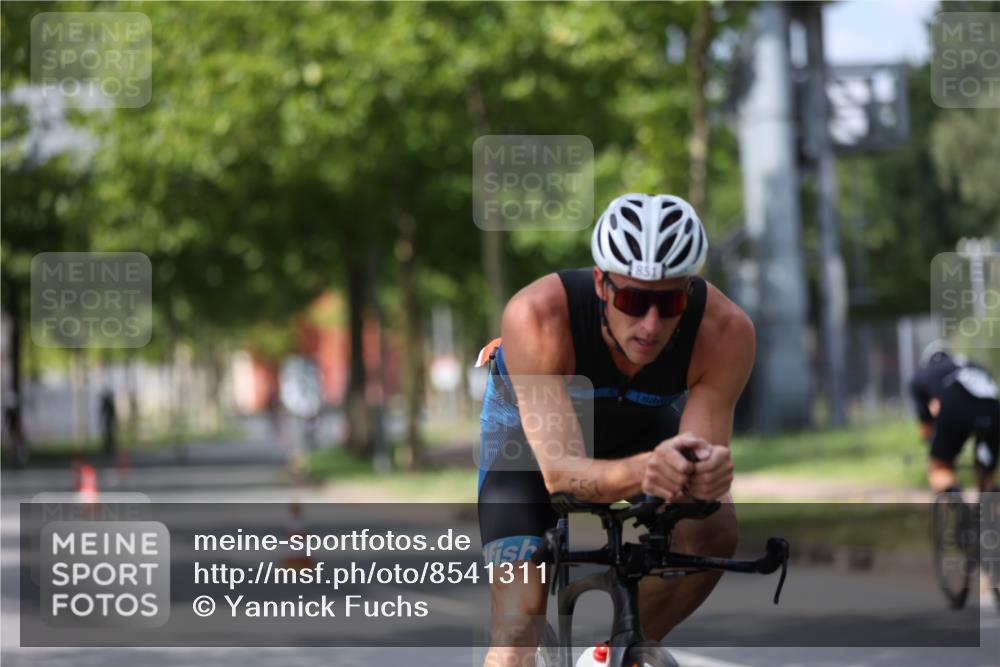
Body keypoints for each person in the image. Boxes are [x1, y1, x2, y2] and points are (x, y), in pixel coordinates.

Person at [477, 193, 754, 666]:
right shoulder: (537, 316)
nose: (650, 324)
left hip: (639, 426)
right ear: (602, 284)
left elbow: (699, 472)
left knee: (715, 528)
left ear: (688, 291)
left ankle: (608, 654)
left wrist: (705, 478)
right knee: (516, 635)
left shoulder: (725, 332)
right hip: (529, 443)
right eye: (633, 299)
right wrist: (650, 470)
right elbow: (560, 475)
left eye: (668, 303)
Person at [909, 340, 999, 495]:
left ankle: (951, 492)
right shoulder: (972, 365)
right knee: (986, 467)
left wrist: (936, 448)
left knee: (940, 465)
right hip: (993, 407)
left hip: (955, 404)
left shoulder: (921, 374)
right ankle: (989, 497)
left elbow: (925, 426)